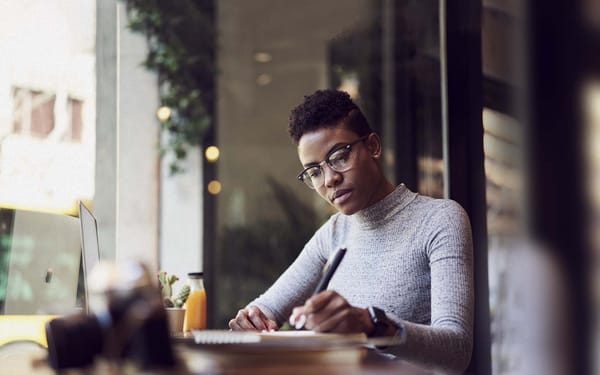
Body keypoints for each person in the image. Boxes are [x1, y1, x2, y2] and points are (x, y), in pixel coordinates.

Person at [228, 89, 473, 373]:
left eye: (339, 156)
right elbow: (266, 308)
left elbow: (458, 349)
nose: (329, 179)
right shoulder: (333, 233)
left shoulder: (439, 220)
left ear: (373, 146)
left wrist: (370, 325)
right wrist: (250, 320)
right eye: (314, 172)